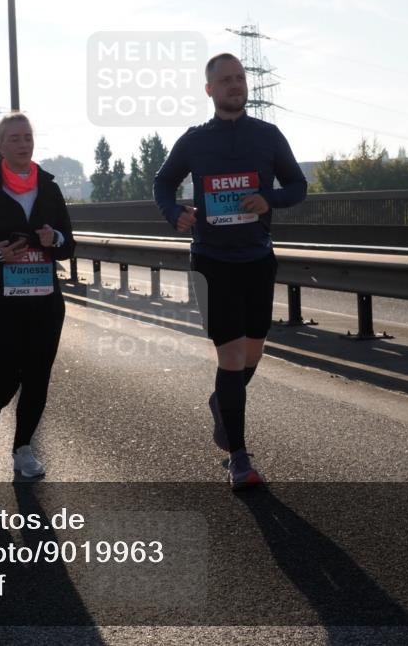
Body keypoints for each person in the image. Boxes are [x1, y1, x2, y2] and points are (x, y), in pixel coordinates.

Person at [153, 53, 307, 489]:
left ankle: (223, 401)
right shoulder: (195, 140)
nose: (235, 85)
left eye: (239, 78)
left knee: (254, 351)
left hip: (257, 258)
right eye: (225, 80)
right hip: (211, 261)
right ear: (209, 90)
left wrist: (268, 200)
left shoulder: (268, 136)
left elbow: (298, 186)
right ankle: (239, 458)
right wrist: (173, 212)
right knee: (232, 355)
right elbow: (162, 183)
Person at [0, 112, 75, 479]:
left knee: (38, 376)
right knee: (5, 376)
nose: (23, 144)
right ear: (1, 145)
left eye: (27, 137)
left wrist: (52, 239)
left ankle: (22, 450)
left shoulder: (50, 188)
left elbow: (68, 243)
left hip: (43, 302)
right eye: (15, 139)